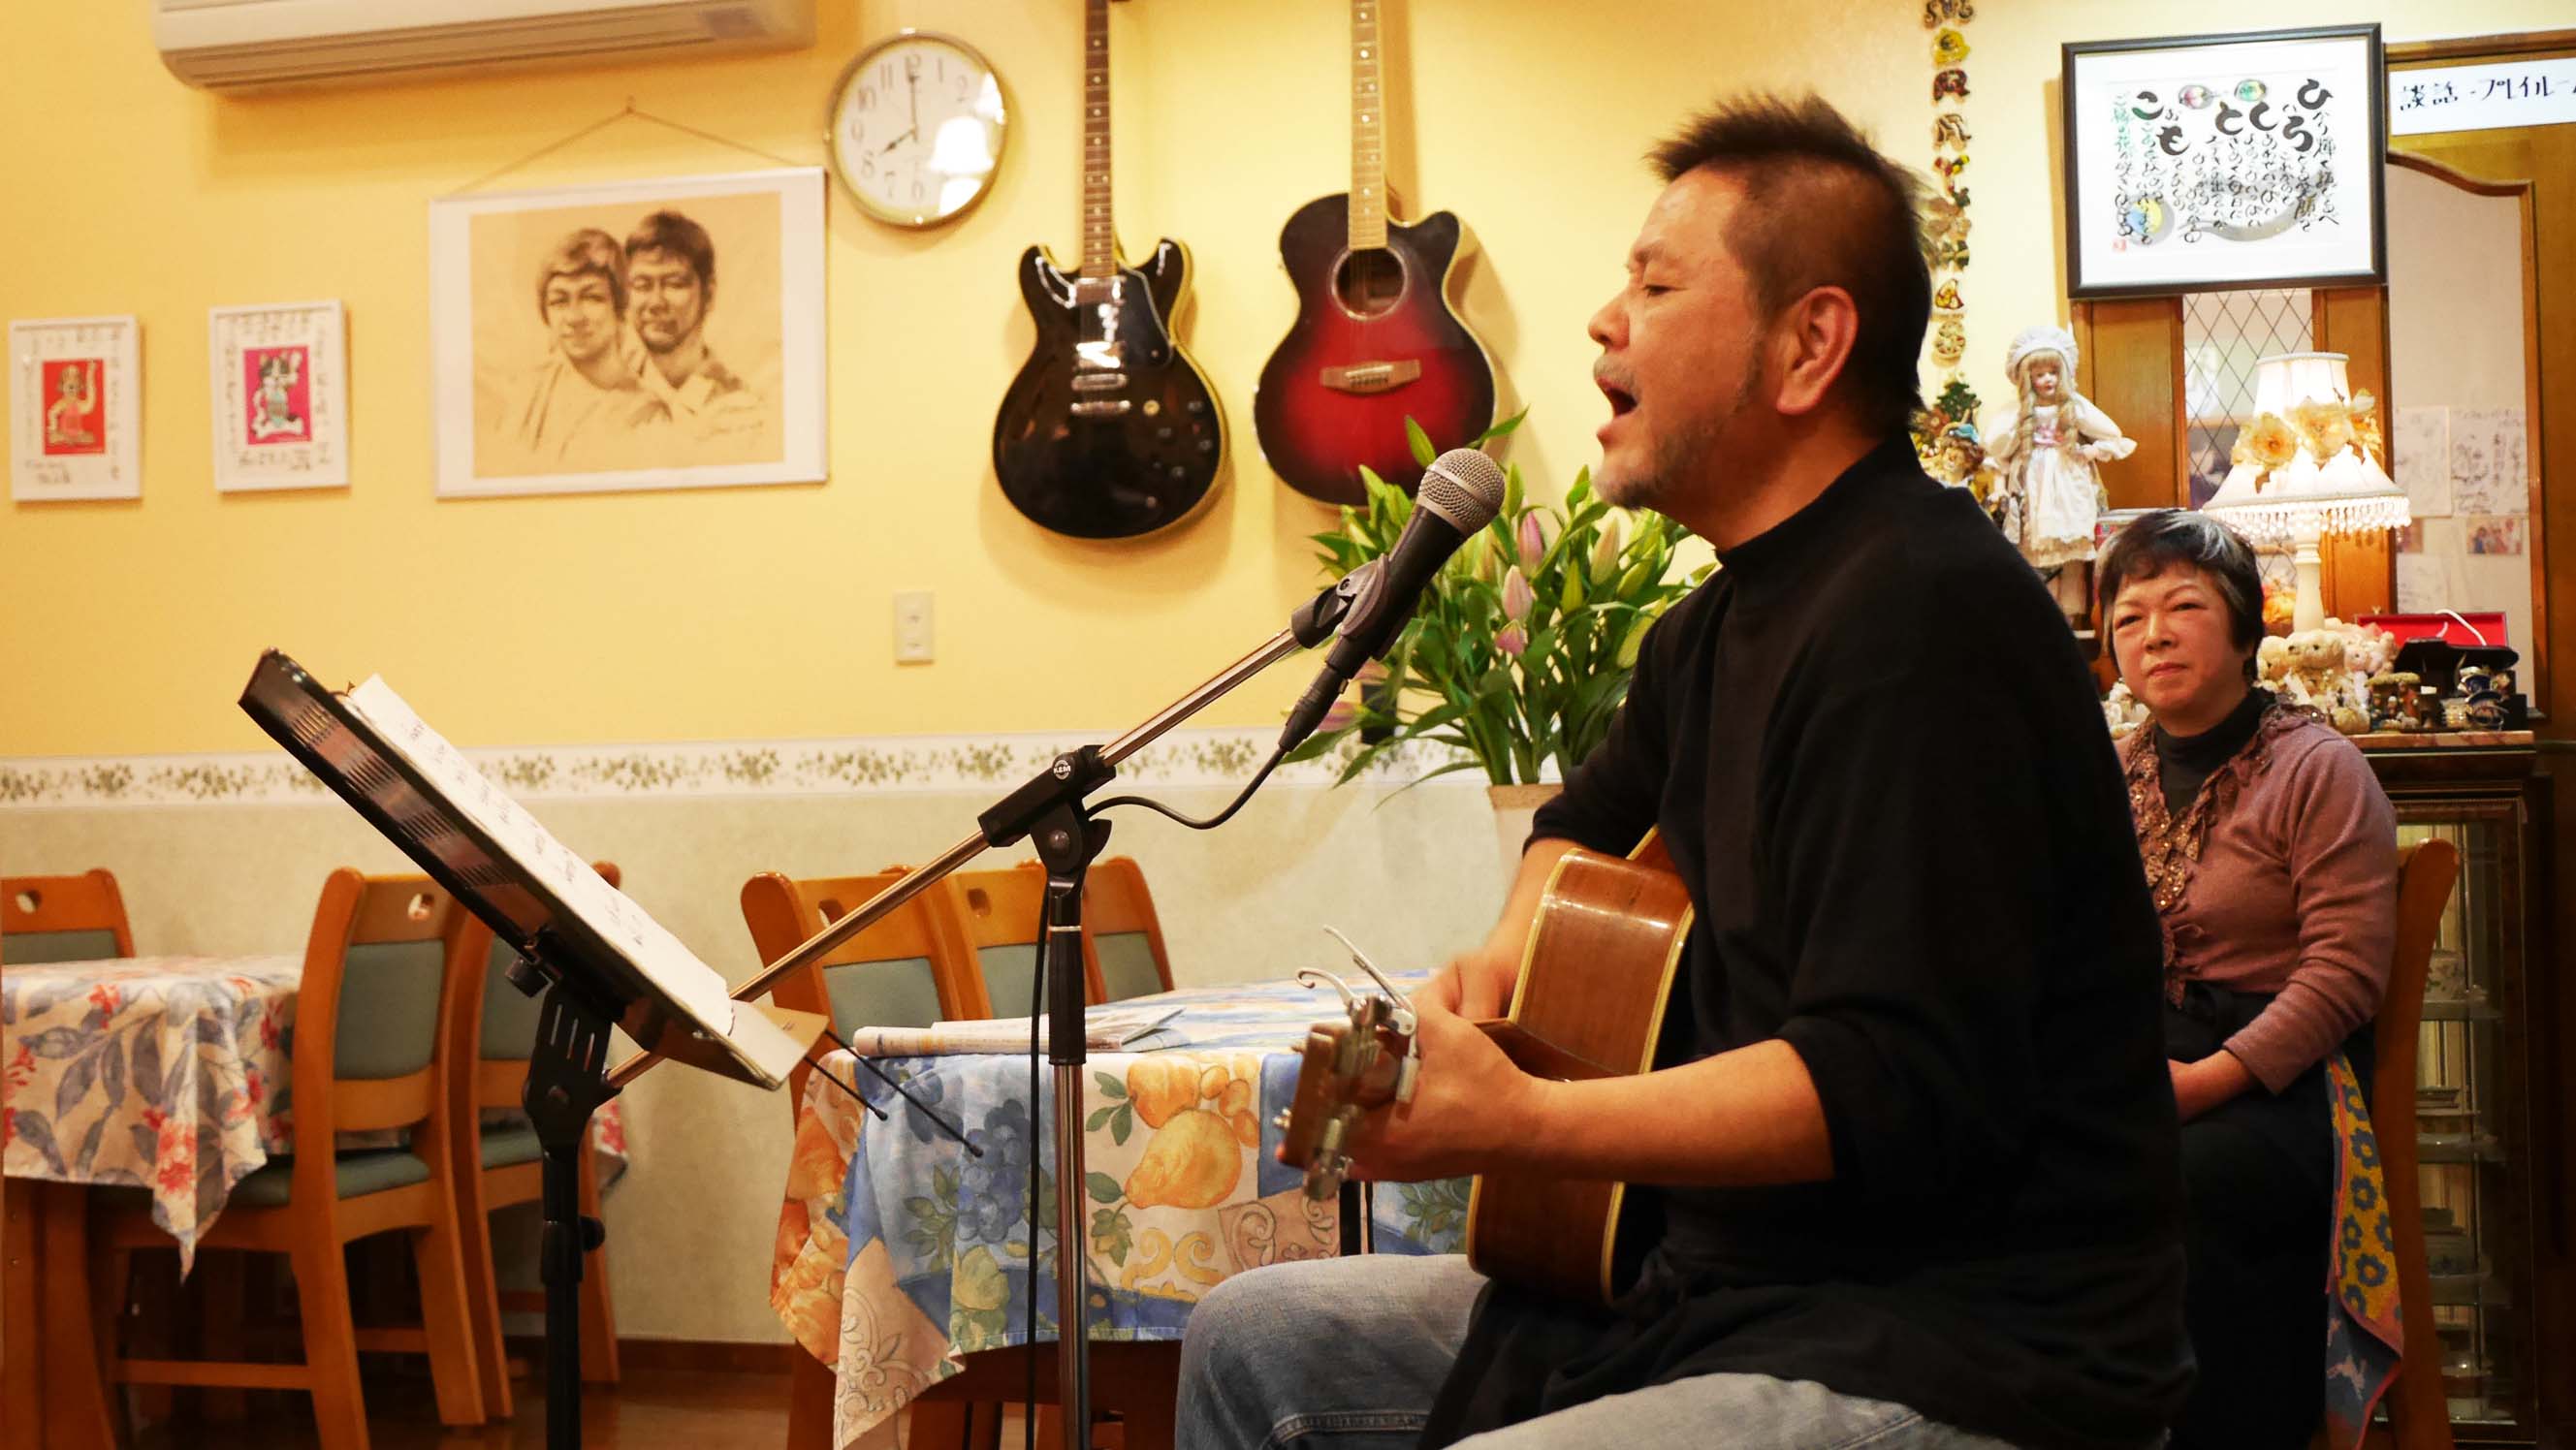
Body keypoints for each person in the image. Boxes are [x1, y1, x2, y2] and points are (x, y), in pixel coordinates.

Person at [1178, 92, 2189, 1450]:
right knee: (1254, 1337)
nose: (1605, 320)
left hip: (1961, 1338)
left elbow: (1886, 1081)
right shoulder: (1707, 629)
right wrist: (1505, 967)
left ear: (1807, 344)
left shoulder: (1925, 616)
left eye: (1656, 285)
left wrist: (1527, 1119)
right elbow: (1580, 825)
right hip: (1717, 1280)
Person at [2095, 510, 2400, 1450]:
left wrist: (2205, 1082)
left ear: (2242, 627)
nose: (2153, 634)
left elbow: (2343, 975)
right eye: (2128, 617)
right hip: (2144, 1061)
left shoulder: (2318, 768)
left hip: (2282, 1081)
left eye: (2182, 606)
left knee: (2176, 1179)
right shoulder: (2106, 772)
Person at [1988, 325, 2135, 625]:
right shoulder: (2018, 413)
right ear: (2027, 378)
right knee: (2035, 549)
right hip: (2034, 483)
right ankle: (2043, 613)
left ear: (2063, 373)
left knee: (2069, 553)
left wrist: (2092, 451)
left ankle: (2067, 618)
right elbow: (2000, 455)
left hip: (2068, 480)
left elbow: (2112, 436)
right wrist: (1999, 487)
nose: (2047, 380)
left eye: (2053, 372)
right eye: (2039, 374)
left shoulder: (2074, 406)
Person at [494, 227, 667, 470]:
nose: (574, 317)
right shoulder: (528, 389)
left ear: (620, 308)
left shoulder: (646, 414)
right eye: (559, 301)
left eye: (591, 297)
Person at [622, 209, 769, 450]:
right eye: (642, 285)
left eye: (674, 284)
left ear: (708, 295)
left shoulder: (742, 408)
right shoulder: (608, 390)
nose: (656, 302)